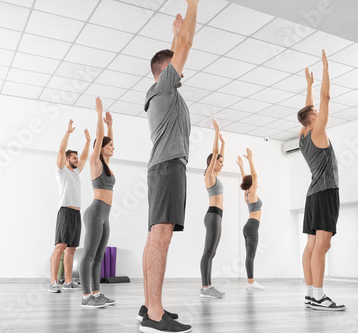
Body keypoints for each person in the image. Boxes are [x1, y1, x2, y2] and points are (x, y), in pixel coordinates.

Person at [139, 2, 198, 332]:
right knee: (161, 238)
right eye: (177, 67)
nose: (183, 72)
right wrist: (193, 5)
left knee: (154, 238)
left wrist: (174, 37)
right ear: (166, 70)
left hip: (162, 169)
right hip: (168, 169)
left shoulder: (161, 92)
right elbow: (187, 44)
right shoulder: (163, 87)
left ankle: (150, 306)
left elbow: (181, 45)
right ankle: (154, 317)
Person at [297, 50, 346, 311]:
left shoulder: (303, 136)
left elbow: (308, 111)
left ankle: (309, 293)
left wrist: (309, 86)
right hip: (326, 191)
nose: (318, 112)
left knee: (312, 245)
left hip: (312, 195)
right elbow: (325, 100)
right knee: (322, 246)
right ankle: (318, 296)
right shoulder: (317, 131)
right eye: (315, 113)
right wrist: (327, 69)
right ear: (314, 120)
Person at [79, 98, 116, 308]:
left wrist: (111, 125)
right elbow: (100, 137)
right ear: (101, 148)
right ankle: (86, 297)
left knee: (99, 256)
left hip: (105, 214)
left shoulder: (106, 165)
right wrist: (99, 114)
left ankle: (97, 293)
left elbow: (106, 138)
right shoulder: (94, 162)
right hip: (95, 213)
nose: (113, 148)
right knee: (89, 255)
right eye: (110, 146)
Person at [49, 120, 90, 293]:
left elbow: (86, 157)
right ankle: (53, 282)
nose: (77, 160)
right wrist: (67, 133)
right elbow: (60, 151)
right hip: (65, 212)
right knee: (60, 247)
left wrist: (88, 142)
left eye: (77, 158)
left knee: (72, 249)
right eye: (74, 158)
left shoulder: (76, 172)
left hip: (76, 214)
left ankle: (68, 281)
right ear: (67, 160)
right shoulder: (62, 171)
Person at [200, 119, 225, 299]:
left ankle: (209, 286)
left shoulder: (216, 175)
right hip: (212, 215)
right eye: (220, 162)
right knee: (208, 252)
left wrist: (223, 143)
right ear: (212, 162)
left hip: (218, 215)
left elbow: (219, 154)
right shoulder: (209, 175)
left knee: (212, 252)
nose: (222, 164)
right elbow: (215, 153)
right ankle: (206, 288)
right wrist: (216, 134)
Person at [236, 149, 266, 291]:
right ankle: (251, 282)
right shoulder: (252, 194)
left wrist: (241, 167)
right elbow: (254, 175)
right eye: (255, 183)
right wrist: (250, 159)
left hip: (248, 226)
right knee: (251, 255)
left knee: (249, 255)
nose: (257, 183)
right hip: (253, 226)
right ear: (252, 184)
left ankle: (250, 282)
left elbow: (246, 179)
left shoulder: (246, 194)